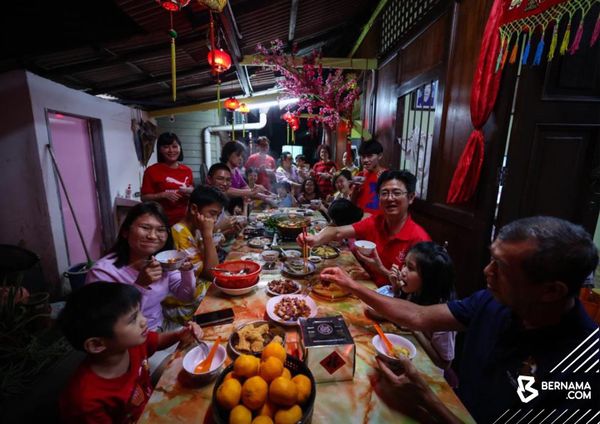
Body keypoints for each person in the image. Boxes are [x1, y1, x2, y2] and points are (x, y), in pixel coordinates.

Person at [320, 216, 600, 423]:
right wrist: (352, 285)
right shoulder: (491, 301)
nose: (486, 271)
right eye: (491, 259)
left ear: (551, 291)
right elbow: (418, 315)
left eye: (500, 267)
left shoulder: (584, 369)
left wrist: (426, 400)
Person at [58, 282, 203, 423]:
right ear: (97, 344)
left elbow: (156, 341)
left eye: (139, 312)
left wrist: (179, 335)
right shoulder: (85, 402)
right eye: (133, 319)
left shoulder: (130, 345)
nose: (144, 320)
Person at [299, 170, 430, 286]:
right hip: (368, 286)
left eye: (396, 193)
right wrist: (315, 238)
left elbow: (414, 290)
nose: (390, 198)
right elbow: (336, 232)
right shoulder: (375, 222)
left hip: (393, 300)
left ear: (410, 197)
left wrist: (381, 270)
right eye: (384, 193)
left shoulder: (420, 240)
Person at [85, 202, 196, 331]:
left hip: (160, 327)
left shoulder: (163, 261)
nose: (152, 236)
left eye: (160, 230)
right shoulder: (103, 272)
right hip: (129, 338)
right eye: (145, 227)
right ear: (125, 232)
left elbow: (186, 296)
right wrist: (141, 285)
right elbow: (106, 323)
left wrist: (186, 271)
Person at [367, 242, 457, 371]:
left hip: (426, 372)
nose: (403, 271)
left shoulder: (443, 315)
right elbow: (394, 315)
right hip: (403, 358)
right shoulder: (415, 291)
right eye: (404, 264)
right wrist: (396, 290)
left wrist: (416, 329)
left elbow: (445, 363)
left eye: (411, 268)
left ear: (429, 279)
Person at [165, 186, 227, 326]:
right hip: (183, 306)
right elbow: (211, 274)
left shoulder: (196, 230)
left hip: (199, 292)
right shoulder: (179, 233)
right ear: (194, 209)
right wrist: (207, 235)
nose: (214, 220)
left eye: (217, 215)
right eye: (212, 213)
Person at [141, 132, 193, 225]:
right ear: (160, 150)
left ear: (180, 148)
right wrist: (162, 195)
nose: (171, 150)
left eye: (174, 146)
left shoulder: (187, 171)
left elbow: (192, 193)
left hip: (184, 221)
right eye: (166, 147)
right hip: (160, 221)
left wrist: (191, 192)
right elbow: (144, 198)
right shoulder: (151, 171)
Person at [351, 139, 386, 215]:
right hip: (361, 218)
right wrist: (355, 189)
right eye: (363, 157)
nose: (366, 160)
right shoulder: (360, 175)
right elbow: (352, 203)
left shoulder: (387, 175)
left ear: (380, 156)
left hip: (379, 219)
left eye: (370, 156)